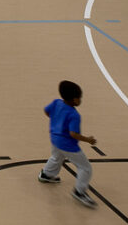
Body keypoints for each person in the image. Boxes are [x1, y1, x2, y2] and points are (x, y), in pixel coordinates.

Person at [39, 79, 97, 207]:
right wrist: (88, 139)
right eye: (79, 98)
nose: (80, 100)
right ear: (74, 99)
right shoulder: (74, 114)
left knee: (56, 157)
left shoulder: (56, 103)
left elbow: (46, 111)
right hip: (68, 145)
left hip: (54, 138)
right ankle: (79, 192)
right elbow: (73, 134)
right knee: (85, 168)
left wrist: (55, 120)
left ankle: (47, 174)